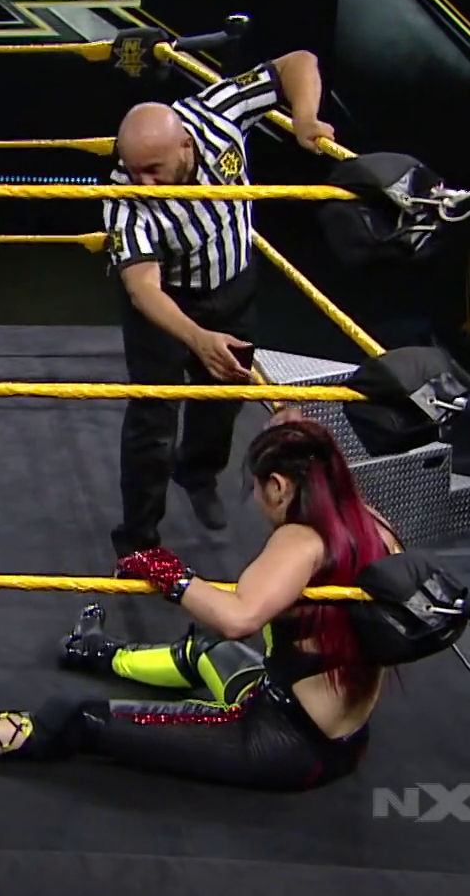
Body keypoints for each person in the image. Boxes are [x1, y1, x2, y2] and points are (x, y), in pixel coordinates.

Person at [0, 416, 400, 791]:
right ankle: (94, 651)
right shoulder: (372, 526)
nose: (258, 504)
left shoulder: (301, 541)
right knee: (205, 647)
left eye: (259, 490)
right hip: (337, 733)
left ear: (280, 486)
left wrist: (165, 570)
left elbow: (239, 616)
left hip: (279, 740)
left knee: (80, 719)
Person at [103, 51, 336, 560]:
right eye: (133, 170)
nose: (143, 183)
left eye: (154, 170)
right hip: (165, 304)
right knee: (152, 419)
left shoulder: (217, 112)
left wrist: (303, 117)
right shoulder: (124, 198)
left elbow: (297, 62)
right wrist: (197, 338)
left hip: (232, 287)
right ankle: (138, 542)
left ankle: (197, 471)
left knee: (226, 394)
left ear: (186, 145)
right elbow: (143, 289)